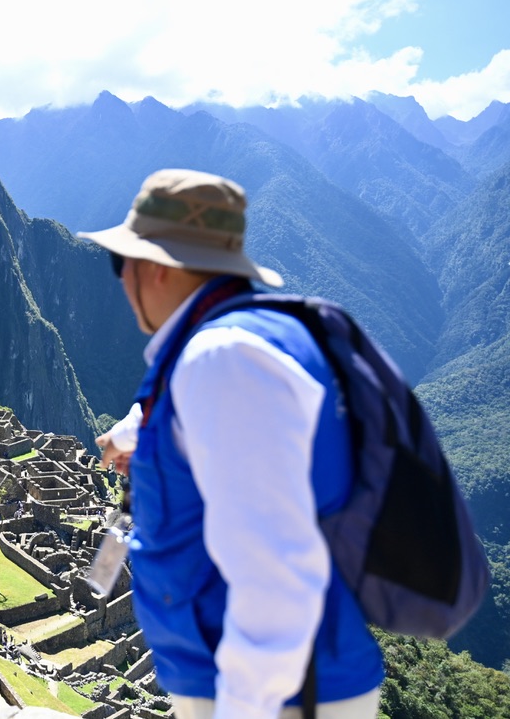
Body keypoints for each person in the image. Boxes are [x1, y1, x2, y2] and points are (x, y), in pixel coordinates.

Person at [81, 170, 384, 719]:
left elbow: (276, 568)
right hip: (257, 677)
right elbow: (189, 421)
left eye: (119, 263)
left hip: (278, 692)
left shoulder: (226, 361)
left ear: (153, 268)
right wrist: (132, 440)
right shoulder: (239, 341)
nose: (120, 280)